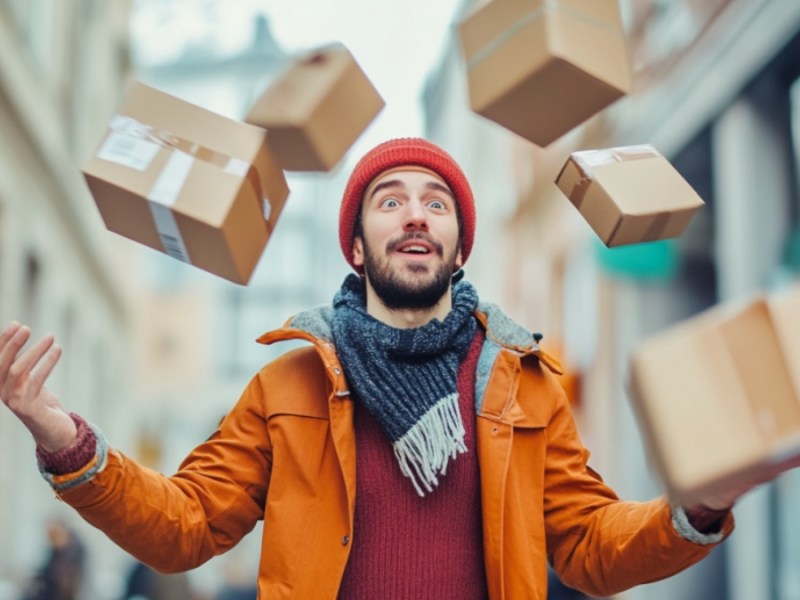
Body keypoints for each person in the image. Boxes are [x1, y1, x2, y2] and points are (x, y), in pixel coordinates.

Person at [0, 137, 791, 599]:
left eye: (436, 203)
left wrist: (696, 510)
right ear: (356, 244)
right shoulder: (290, 381)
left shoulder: (525, 382)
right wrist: (69, 443)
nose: (415, 212)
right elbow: (185, 527)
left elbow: (588, 543)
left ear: (456, 245)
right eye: (390, 200)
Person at [20, 518, 86, 600]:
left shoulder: (73, 554)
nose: (51, 540)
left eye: (53, 536)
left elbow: (69, 586)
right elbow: (44, 571)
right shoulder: (55, 551)